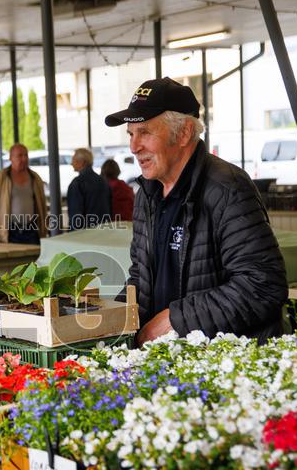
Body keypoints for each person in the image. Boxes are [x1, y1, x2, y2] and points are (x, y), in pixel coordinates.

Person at [104, 77, 287, 345]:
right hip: (166, 357)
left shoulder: (227, 188)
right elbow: (141, 278)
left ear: (184, 133)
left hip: (224, 359)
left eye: (145, 132)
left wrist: (174, 321)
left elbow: (262, 285)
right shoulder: (146, 194)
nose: (134, 146)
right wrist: (108, 326)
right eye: (131, 134)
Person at [0, 143, 49, 244]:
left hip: (32, 229)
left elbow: (42, 206)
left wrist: (44, 228)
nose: (24, 159)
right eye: (19, 155)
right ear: (11, 158)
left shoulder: (35, 178)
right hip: (10, 231)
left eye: (26, 155)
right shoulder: (1, 177)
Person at [66, 147, 112, 230]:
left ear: (82, 162)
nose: (71, 163)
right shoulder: (103, 181)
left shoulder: (77, 183)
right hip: (104, 230)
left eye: (73, 160)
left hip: (85, 233)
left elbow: (75, 216)